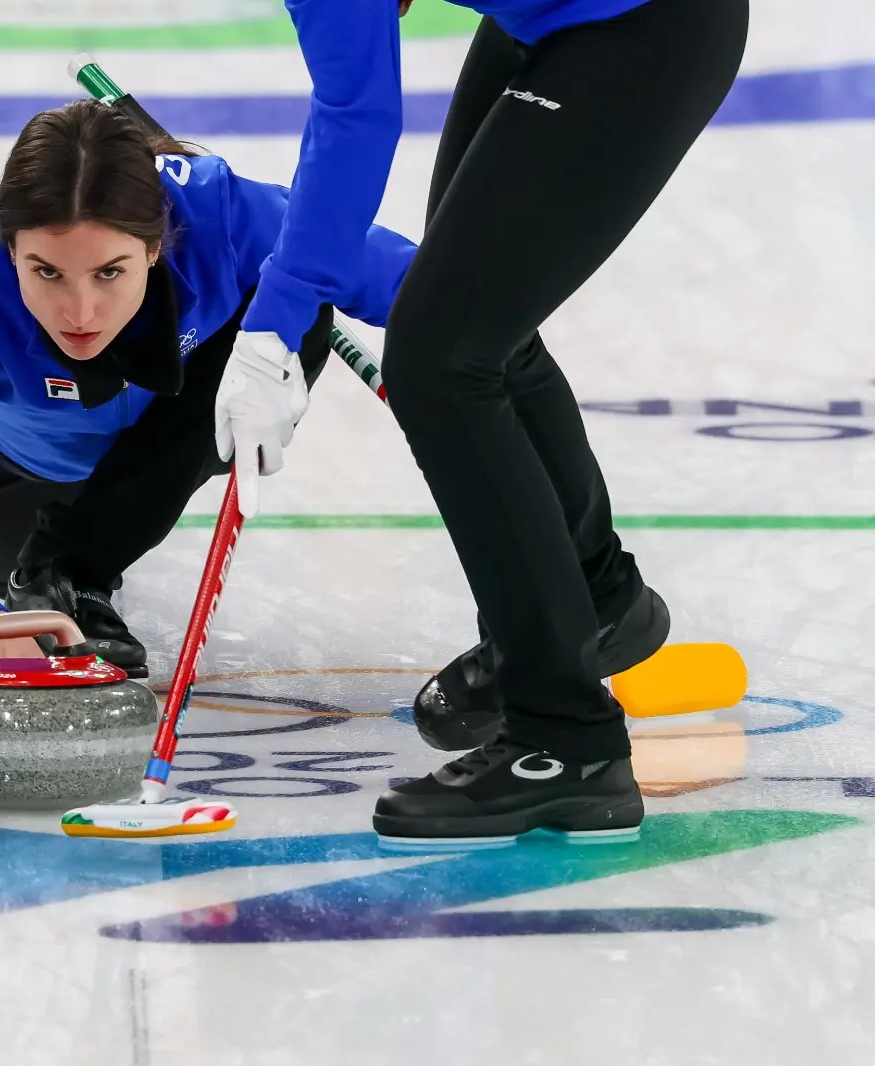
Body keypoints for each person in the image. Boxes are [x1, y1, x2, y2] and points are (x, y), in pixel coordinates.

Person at [213, 0, 748, 843]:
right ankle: (593, 596)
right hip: (565, 18)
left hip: (645, 26)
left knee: (441, 357)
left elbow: (355, 119)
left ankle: (563, 742)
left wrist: (274, 324)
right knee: (470, 320)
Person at [0, 100, 415, 674]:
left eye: (110, 271)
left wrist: (487, 374)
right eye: (46, 271)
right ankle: (51, 568)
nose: (79, 311)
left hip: (176, 424)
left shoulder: (224, 218)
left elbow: (427, 290)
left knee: (299, 311)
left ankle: (75, 562)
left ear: (156, 245)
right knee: (32, 604)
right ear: (9, 247)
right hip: (12, 475)